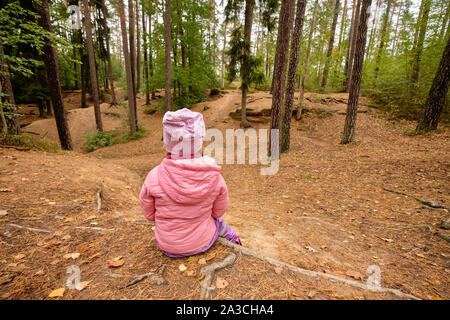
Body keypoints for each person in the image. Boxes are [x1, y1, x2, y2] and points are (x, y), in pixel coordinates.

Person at [139, 108, 241, 258]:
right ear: (199, 141)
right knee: (220, 223)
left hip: (167, 244)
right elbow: (218, 212)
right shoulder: (213, 176)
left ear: (167, 141)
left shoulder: (154, 176)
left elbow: (149, 214)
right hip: (202, 241)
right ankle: (236, 242)